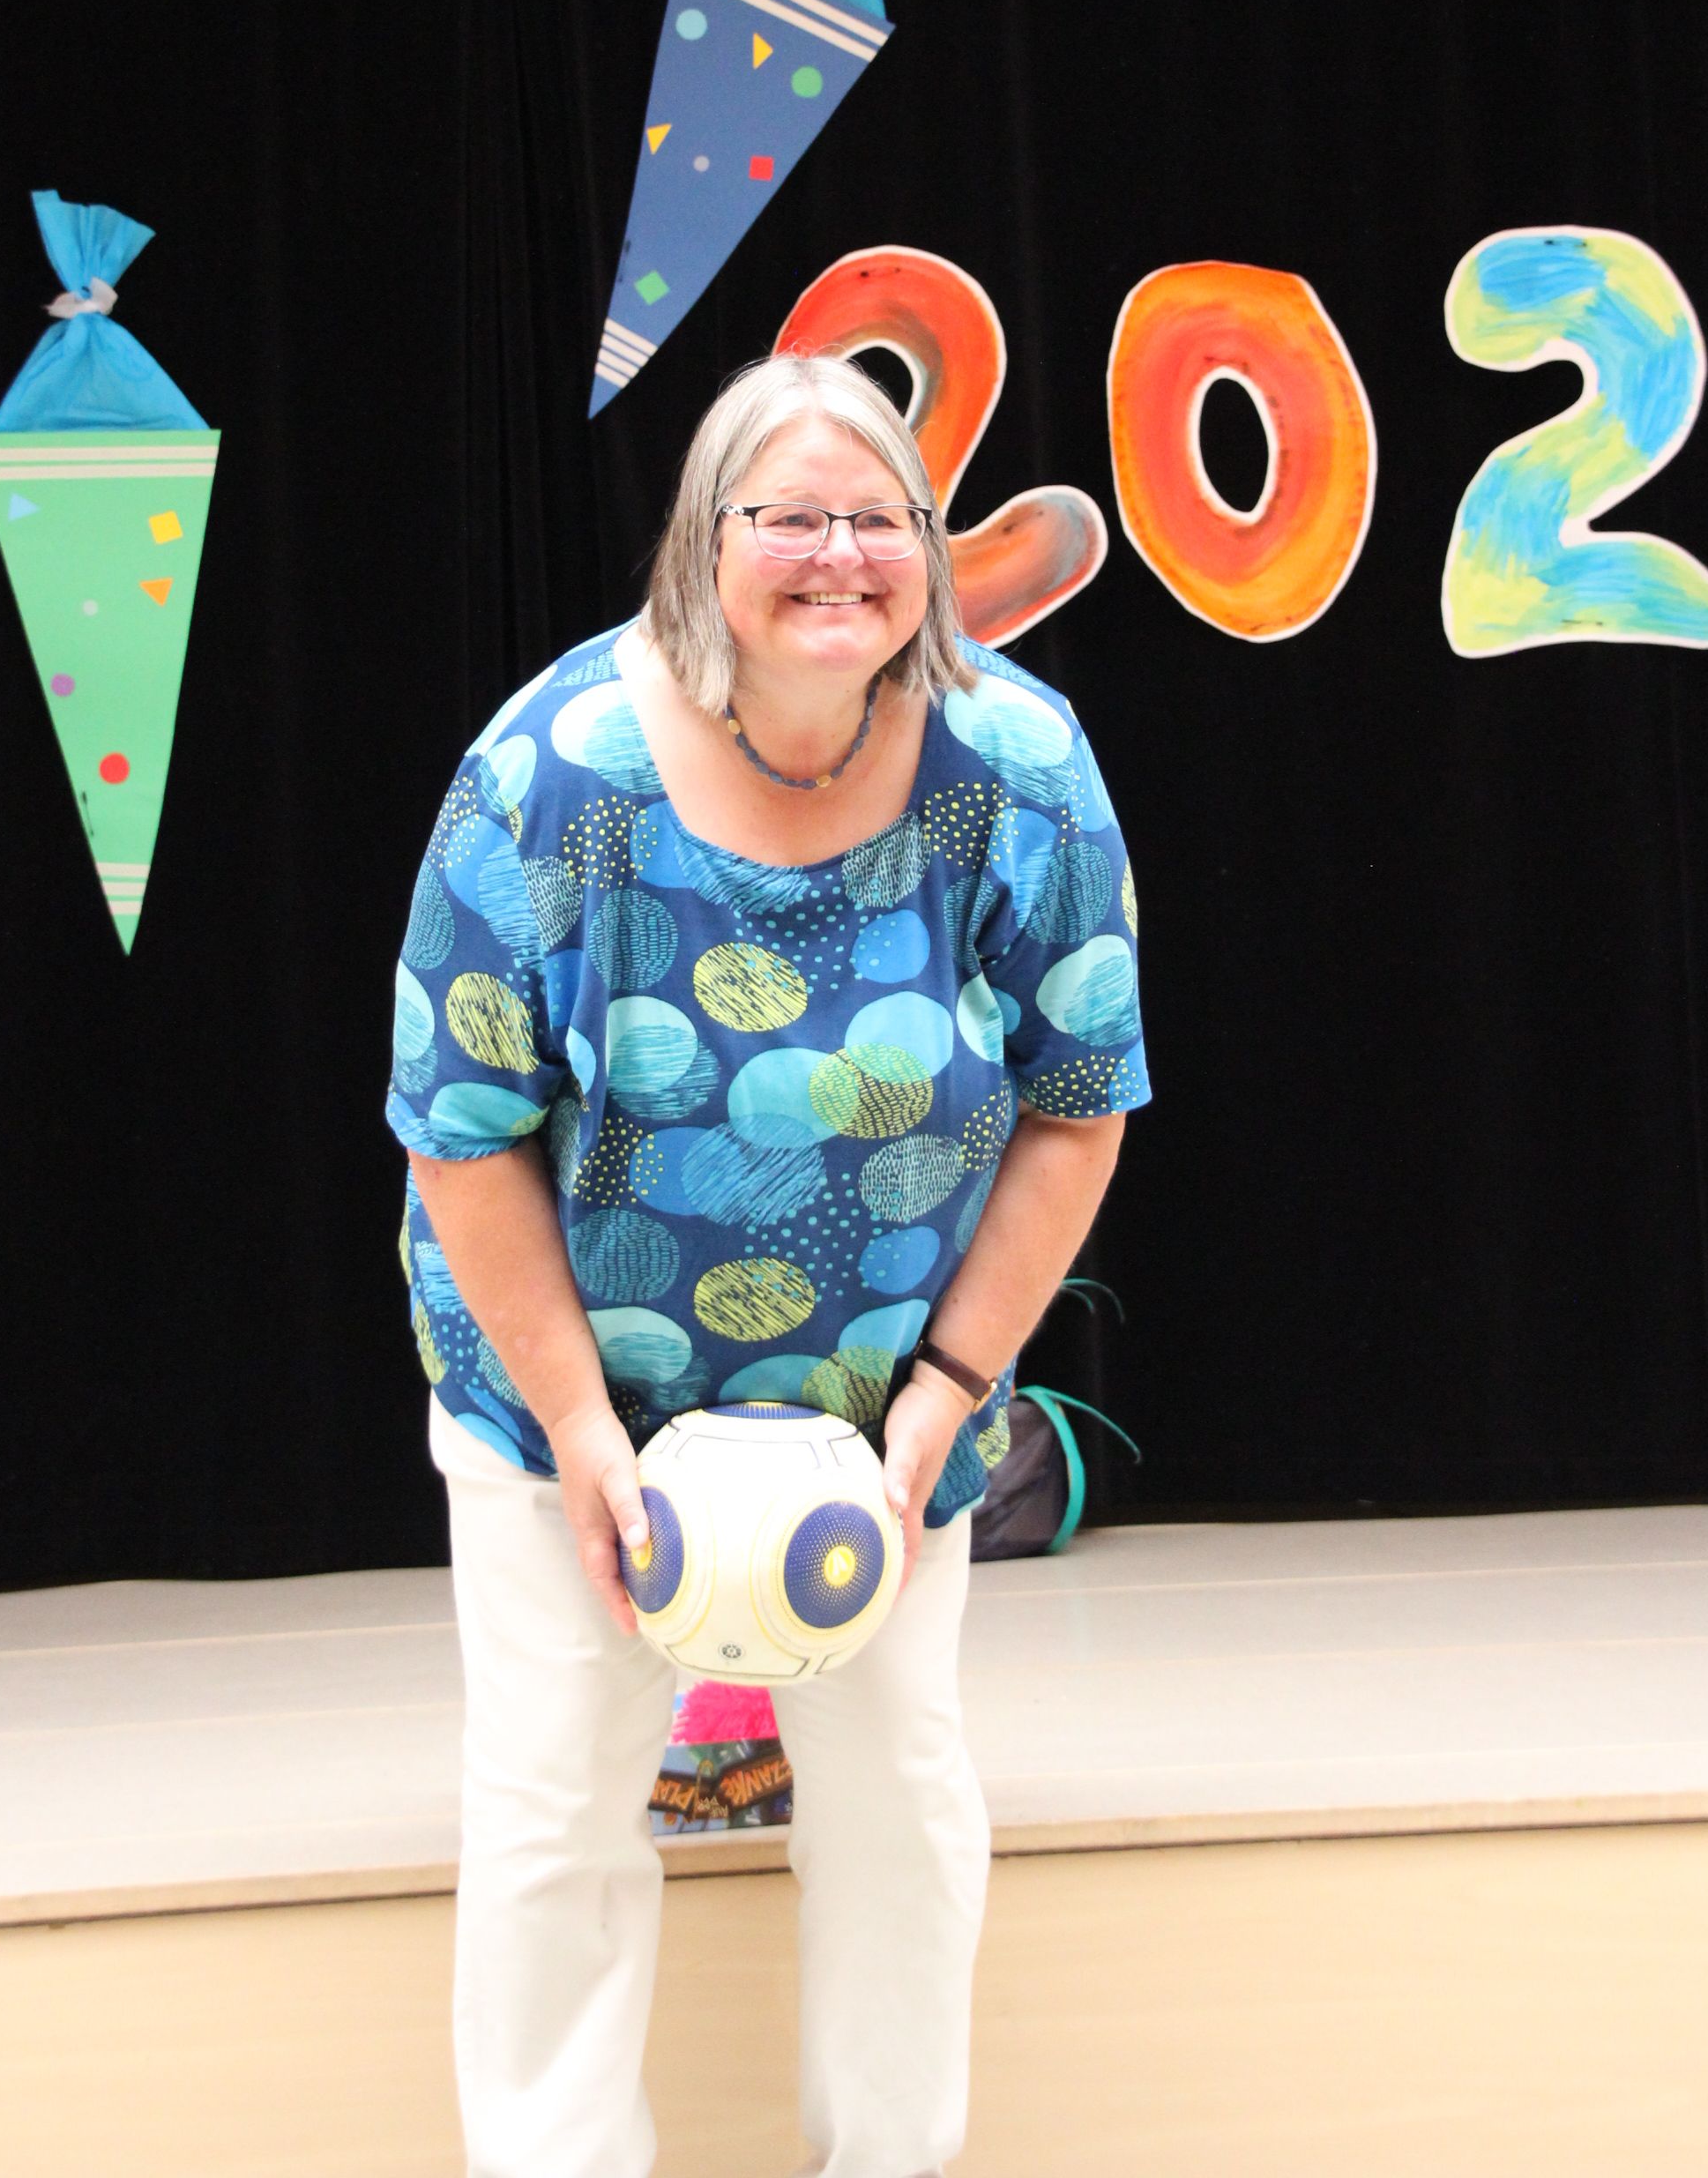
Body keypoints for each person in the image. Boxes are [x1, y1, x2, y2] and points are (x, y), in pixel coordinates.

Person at [390, 350, 1148, 2178]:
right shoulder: (550, 773)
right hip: (567, 1402)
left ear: (930, 550)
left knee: (899, 1797)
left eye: (879, 518)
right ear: (701, 543)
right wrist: (581, 1431)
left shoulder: (1018, 763)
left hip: (883, 1410)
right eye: (789, 517)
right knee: (556, 1811)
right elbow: (459, 1128)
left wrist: (949, 1391)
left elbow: (1079, 1102)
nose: (840, 557)